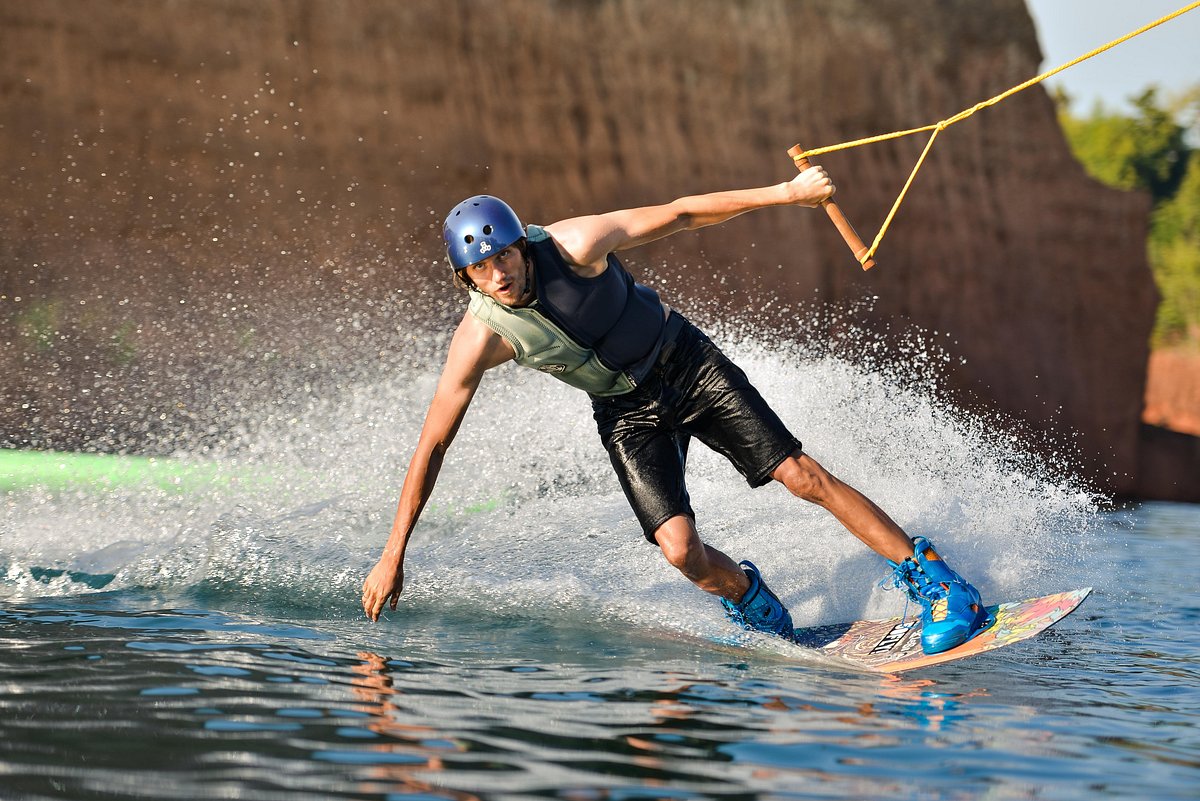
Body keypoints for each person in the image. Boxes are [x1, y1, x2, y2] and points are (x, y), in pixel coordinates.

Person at [361, 163, 990, 655]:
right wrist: (393, 553)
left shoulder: (576, 244)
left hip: (686, 363)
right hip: (625, 412)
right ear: (465, 278)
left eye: (503, 255)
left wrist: (788, 194)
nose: (498, 273)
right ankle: (753, 601)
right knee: (680, 550)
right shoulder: (480, 338)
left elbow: (681, 212)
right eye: (480, 267)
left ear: (522, 246)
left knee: (799, 476)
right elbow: (432, 445)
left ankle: (937, 581)